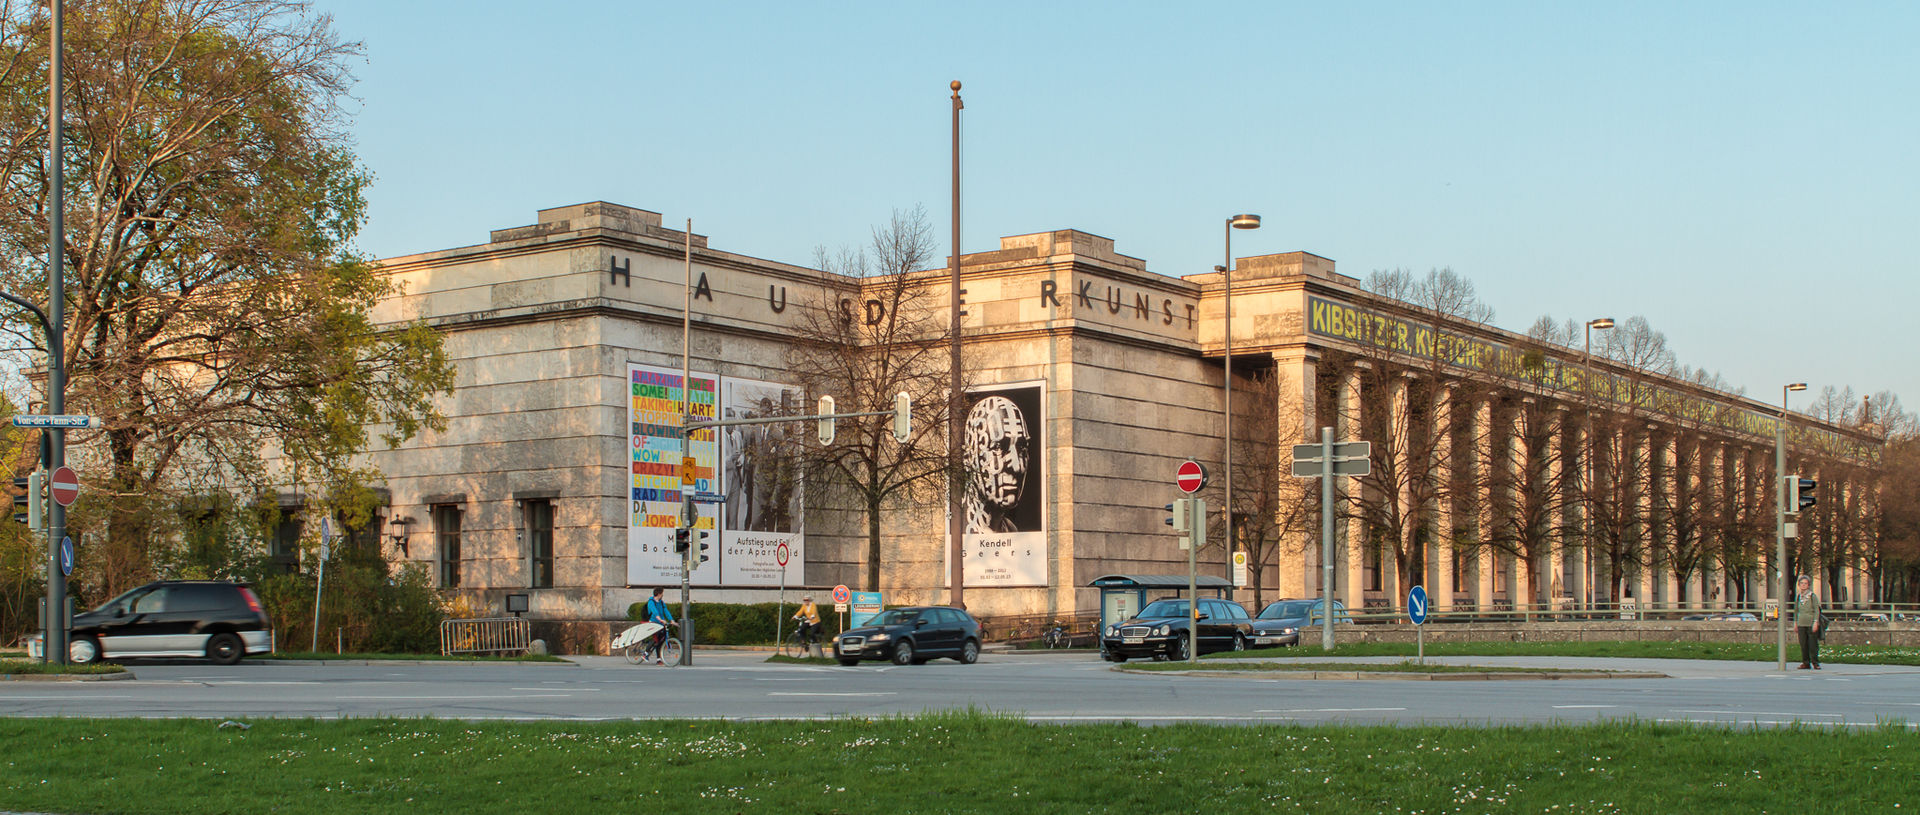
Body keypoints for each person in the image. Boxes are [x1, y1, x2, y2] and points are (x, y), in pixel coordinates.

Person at [963, 395, 1031, 534]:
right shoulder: (960, 530)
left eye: (1022, 447)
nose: (1017, 466)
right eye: (998, 447)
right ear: (968, 459)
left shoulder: (1011, 530)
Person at [1794, 575, 1822, 670]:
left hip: (1810, 623)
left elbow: (1816, 610)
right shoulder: (1798, 597)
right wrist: (1795, 623)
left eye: (1805, 583)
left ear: (1808, 585)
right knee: (1803, 644)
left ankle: (1815, 662)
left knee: (1813, 644)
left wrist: (1815, 622)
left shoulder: (1812, 596)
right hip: (1801, 623)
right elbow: (1796, 610)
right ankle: (1805, 662)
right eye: (1801, 583)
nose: (1803, 585)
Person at [644, 587, 677, 665]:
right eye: (662, 593)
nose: (663, 595)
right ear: (659, 594)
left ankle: (659, 659)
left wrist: (672, 620)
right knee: (656, 638)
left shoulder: (661, 602)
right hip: (653, 622)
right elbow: (654, 612)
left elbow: (666, 611)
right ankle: (645, 653)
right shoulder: (651, 602)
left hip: (660, 623)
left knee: (661, 640)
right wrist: (660, 619)